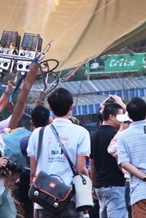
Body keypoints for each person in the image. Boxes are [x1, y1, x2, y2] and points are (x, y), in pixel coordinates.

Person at [27, 88, 90, 218]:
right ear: (71, 106)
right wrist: (87, 189)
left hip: (44, 197)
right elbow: (81, 168)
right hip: (70, 198)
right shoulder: (81, 132)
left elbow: (33, 173)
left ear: (50, 107)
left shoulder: (37, 134)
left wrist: (35, 204)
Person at [91, 101, 126, 218]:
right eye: (120, 116)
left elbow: (92, 164)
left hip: (100, 187)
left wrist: (94, 185)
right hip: (115, 185)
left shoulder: (94, 136)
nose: (122, 120)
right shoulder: (117, 136)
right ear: (111, 116)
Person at [19, 105, 51, 218]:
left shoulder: (25, 140)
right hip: (53, 183)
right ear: (49, 120)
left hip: (36, 183)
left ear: (31, 122)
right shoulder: (53, 138)